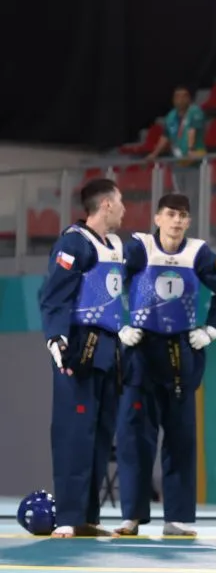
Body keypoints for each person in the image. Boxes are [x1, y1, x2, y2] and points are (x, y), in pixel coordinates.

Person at [112, 193, 216, 536]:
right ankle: (131, 516)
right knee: (135, 437)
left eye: (183, 215)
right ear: (157, 218)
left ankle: (177, 518)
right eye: (170, 214)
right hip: (141, 350)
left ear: (189, 221)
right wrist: (119, 326)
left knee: (181, 438)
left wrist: (211, 331)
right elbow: (110, 282)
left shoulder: (198, 252)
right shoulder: (140, 248)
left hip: (181, 352)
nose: (177, 221)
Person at [38, 178, 126, 537]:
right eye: (120, 202)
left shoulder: (116, 245)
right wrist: (55, 338)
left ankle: (88, 517)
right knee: (74, 433)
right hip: (78, 348)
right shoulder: (74, 243)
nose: (124, 209)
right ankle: (68, 517)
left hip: (110, 349)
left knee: (101, 435)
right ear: (106, 204)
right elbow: (53, 294)